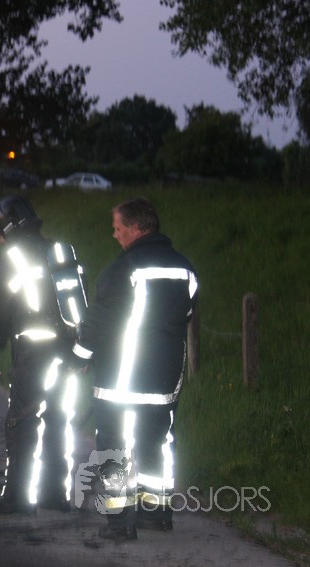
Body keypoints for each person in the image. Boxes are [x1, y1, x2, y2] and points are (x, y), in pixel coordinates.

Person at [71, 197, 198, 540]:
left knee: (114, 444)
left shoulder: (121, 270)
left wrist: (80, 357)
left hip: (121, 378)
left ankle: (119, 521)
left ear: (137, 228)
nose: (115, 235)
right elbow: (186, 315)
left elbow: (97, 322)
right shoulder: (185, 269)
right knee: (156, 441)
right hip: (165, 377)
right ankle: (156, 514)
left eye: (118, 228)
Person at [0, 195, 88, 514]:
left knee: (22, 421)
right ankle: (55, 495)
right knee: (58, 420)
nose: (0, 240)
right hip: (68, 351)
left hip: (32, 352)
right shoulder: (61, 250)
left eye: (0, 233)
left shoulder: (13, 259)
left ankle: (17, 498)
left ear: (10, 227)